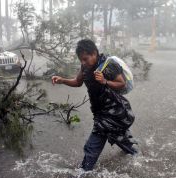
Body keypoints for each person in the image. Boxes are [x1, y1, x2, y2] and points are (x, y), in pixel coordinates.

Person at [52, 39, 137, 171]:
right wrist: (62, 80)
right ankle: (138, 158)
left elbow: (122, 83)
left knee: (92, 147)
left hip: (113, 112)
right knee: (122, 140)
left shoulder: (108, 65)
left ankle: (83, 175)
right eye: (81, 60)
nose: (83, 62)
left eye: (85, 59)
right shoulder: (85, 67)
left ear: (94, 53)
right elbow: (77, 82)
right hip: (100, 112)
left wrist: (104, 81)